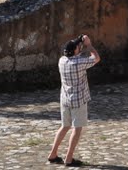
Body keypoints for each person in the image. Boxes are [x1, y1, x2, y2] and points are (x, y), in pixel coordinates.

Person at [48, 34, 101, 166]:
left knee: (64, 126)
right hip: (78, 100)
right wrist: (89, 45)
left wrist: (78, 44)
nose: (80, 47)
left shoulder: (62, 61)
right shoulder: (79, 63)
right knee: (77, 129)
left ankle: (53, 154)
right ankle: (69, 158)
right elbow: (96, 58)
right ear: (76, 51)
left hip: (65, 99)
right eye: (78, 47)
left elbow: (73, 54)